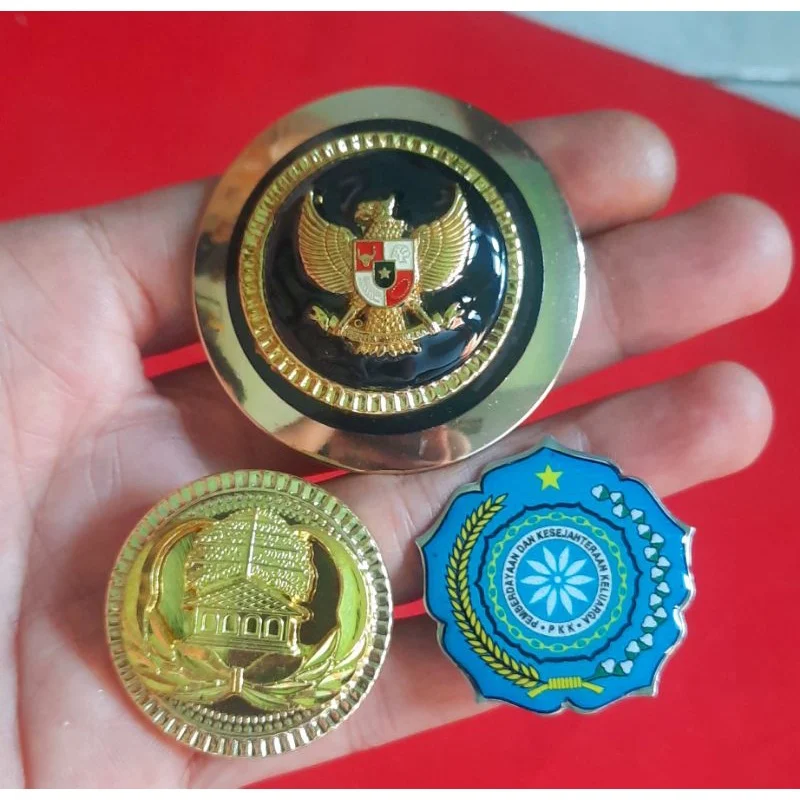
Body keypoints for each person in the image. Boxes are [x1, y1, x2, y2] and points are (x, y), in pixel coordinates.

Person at [0, 111, 791, 788]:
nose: (380, 242)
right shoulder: (325, 245)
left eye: (384, 234)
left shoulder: (430, 246)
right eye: (373, 235)